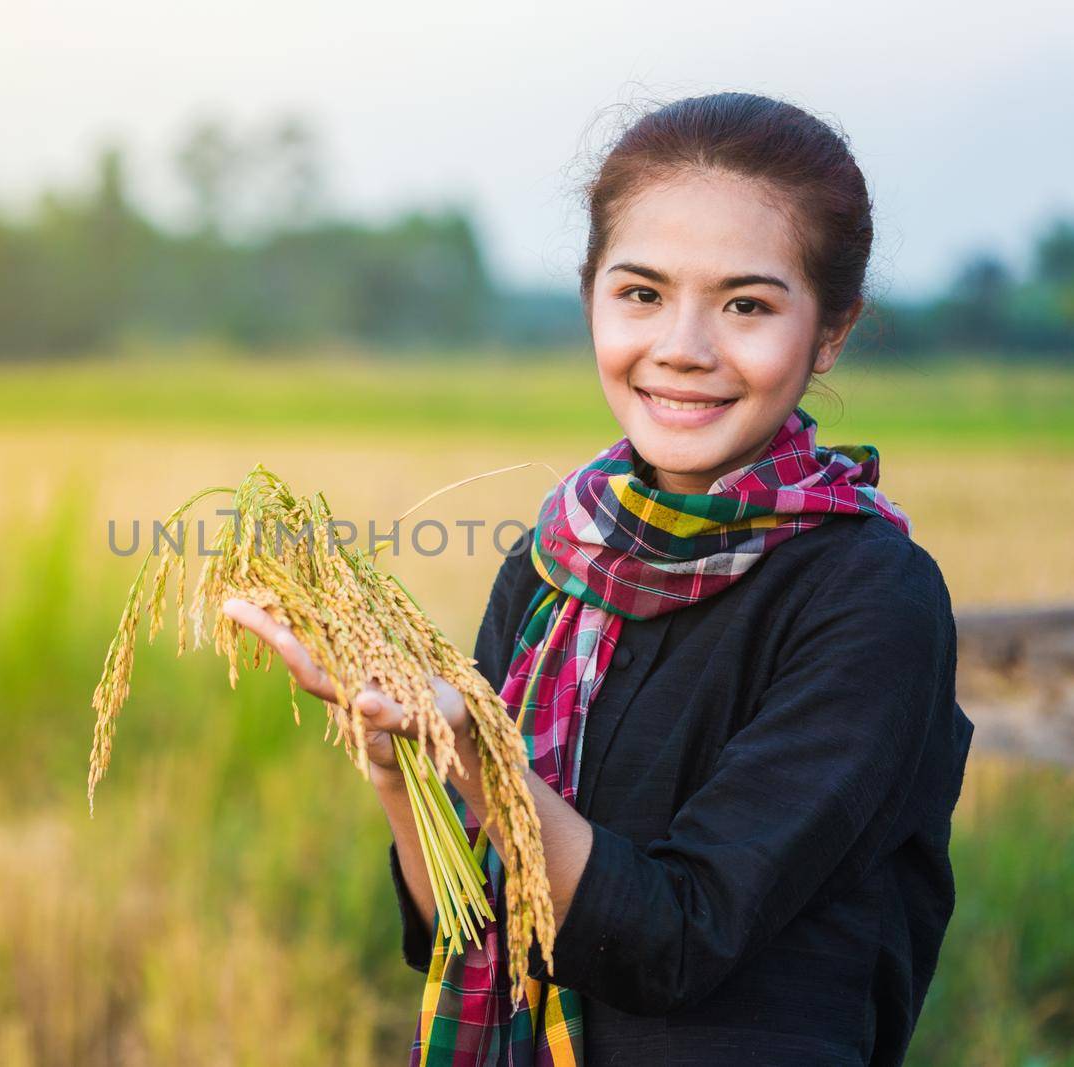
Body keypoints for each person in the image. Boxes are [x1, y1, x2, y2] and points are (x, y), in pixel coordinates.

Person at [224, 91, 973, 1066]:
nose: (682, 348)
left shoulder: (869, 596)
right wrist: (404, 760)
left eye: (746, 304)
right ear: (590, 296)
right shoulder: (546, 566)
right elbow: (454, 918)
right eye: (641, 293)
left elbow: (681, 934)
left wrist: (479, 752)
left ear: (829, 330)